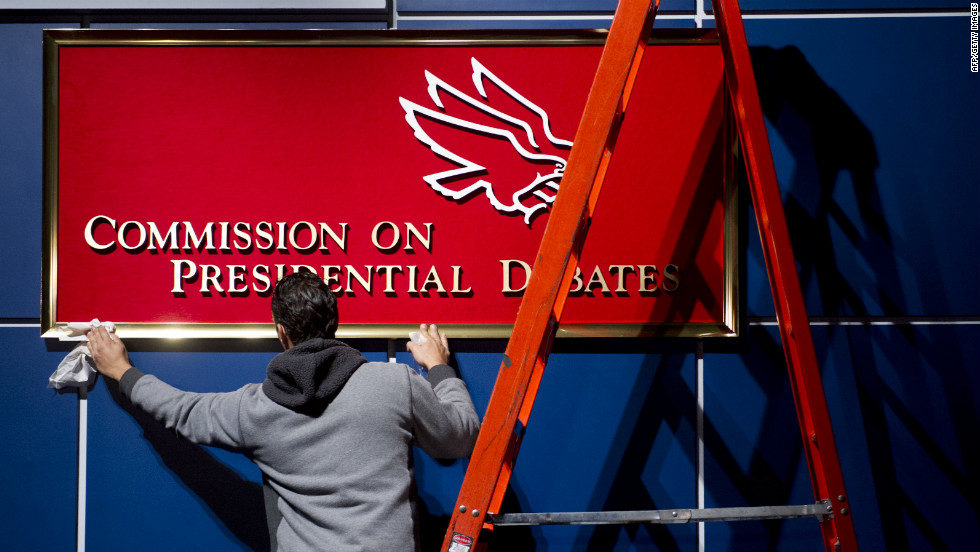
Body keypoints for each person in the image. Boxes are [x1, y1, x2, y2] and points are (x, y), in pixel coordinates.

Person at [87, 270, 480, 551]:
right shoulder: (393, 383)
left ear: (281, 331)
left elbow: (180, 410)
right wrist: (438, 366)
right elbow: (460, 438)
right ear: (336, 324)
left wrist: (122, 370)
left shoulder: (252, 410)